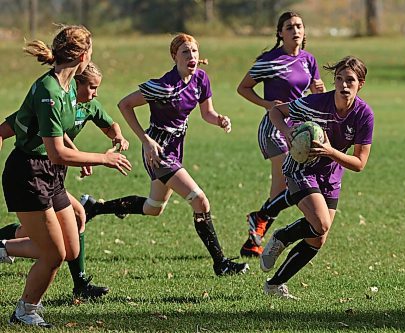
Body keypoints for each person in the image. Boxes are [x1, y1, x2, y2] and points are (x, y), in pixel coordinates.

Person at [80, 33, 249, 276]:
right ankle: (221, 263)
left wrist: (220, 120)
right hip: (158, 149)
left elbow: (207, 113)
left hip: (175, 149)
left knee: (153, 207)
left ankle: (95, 207)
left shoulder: (201, 79)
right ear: (174, 56)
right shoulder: (163, 86)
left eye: (194, 51)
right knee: (200, 200)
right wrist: (145, 140)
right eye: (185, 52)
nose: (191, 56)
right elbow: (124, 104)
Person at [0, 25, 132, 328]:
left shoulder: (66, 89)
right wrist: (103, 158)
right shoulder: (48, 91)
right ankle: (25, 311)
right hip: (29, 173)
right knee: (53, 255)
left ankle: (3, 248)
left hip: (50, 174)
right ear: (84, 56)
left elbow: (59, 138)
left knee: (71, 248)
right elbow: (56, 151)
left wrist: (86, 153)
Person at [261, 56, 374, 299]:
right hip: (301, 168)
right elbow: (275, 112)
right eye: (339, 79)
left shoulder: (364, 115)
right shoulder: (315, 103)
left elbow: (360, 163)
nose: (344, 85)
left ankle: (274, 285)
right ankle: (282, 236)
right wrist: (288, 132)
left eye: (350, 81)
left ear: (360, 84)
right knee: (320, 224)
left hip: (331, 173)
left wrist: (331, 152)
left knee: (317, 239)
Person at [236, 11, 325, 257]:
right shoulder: (270, 60)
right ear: (280, 33)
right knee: (286, 182)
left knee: (281, 187)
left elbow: (316, 93)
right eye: (289, 27)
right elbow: (242, 88)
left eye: (299, 26)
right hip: (275, 128)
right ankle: (259, 225)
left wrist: (320, 92)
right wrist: (267, 104)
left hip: (299, 130)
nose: (295, 30)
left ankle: (255, 235)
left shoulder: (309, 60)